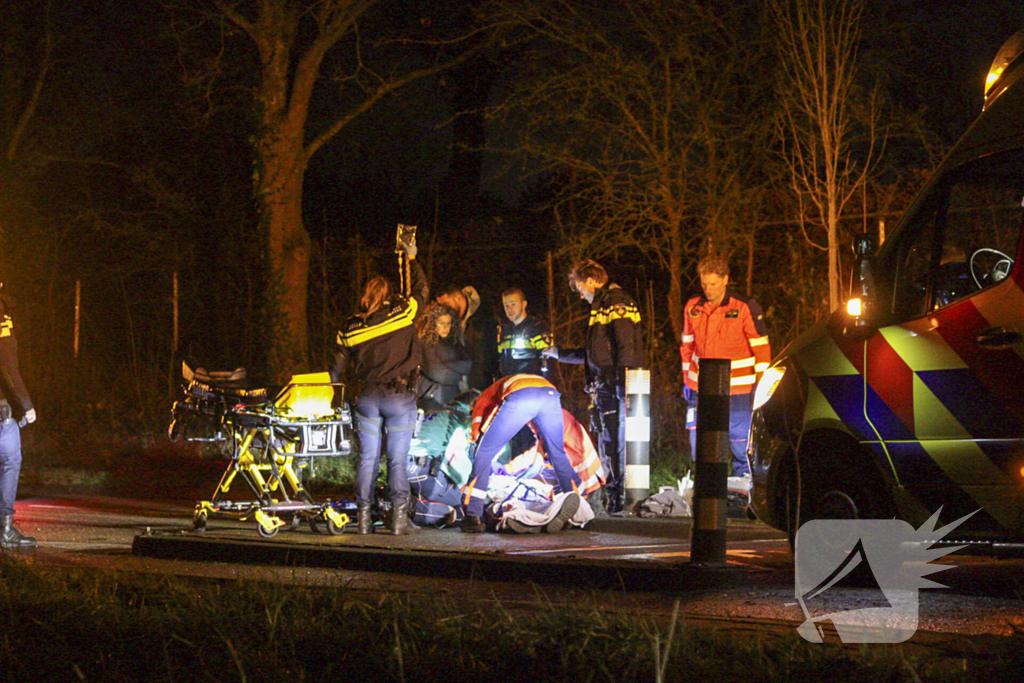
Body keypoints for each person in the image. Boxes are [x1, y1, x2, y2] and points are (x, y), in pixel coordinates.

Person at [333, 239, 426, 536]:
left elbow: (335, 370)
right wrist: (411, 259)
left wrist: (332, 397)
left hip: (367, 398)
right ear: (389, 295)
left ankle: (362, 518)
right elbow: (421, 291)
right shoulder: (402, 312)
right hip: (399, 397)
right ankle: (398, 519)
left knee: (368, 459)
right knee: (397, 459)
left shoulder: (350, 328)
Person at [543, 260, 643, 514]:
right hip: (607, 384)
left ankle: (620, 499)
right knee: (608, 442)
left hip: (615, 383)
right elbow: (594, 353)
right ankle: (614, 498)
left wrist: (623, 384)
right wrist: (559, 353)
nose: (580, 294)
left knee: (616, 442)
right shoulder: (603, 304)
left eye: (580, 288)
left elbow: (626, 346)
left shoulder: (615, 302)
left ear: (591, 281)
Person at [680, 256, 771, 479]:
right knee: (699, 441)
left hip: (738, 390)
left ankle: (742, 487)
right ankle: (706, 487)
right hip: (700, 386)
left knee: (740, 443)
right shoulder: (693, 306)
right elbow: (687, 344)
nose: (708, 289)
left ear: (725, 280)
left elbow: (761, 348)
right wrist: (686, 379)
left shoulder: (744, 307)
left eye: (713, 284)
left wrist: (761, 384)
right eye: (704, 284)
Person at [461, 374, 581, 533]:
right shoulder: (506, 384)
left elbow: (478, 432)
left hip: (521, 396)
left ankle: (472, 515)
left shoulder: (482, 399)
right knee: (557, 454)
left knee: (483, 454)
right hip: (550, 395)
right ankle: (578, 505)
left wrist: (476, 439)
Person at [0, 292, 37, 550]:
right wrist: (26, 405)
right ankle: (4, 531)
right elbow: (7, 367)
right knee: (10, 461)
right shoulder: (3, 321)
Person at [436, 285, 498, 391]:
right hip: (458, 388)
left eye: (446, 304)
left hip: (482, 387)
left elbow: (492, 356)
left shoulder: (485, 316)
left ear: (458, 298)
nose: (444, 309)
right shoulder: (450, 323)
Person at [416, 302, 471, 411]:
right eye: (441, 323)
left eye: (448, 323)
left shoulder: (455, 343)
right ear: (432, 323)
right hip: (432, 400)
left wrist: (448, 367)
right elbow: (438, 373)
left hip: (453, 398)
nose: (446, 327)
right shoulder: (426, 344)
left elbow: (468, 365)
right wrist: (457, 375)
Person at [497, 287, 553, 378]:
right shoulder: (504, 332)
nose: (509, 309)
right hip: (509, 387)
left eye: (513, 304)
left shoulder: (537, 329)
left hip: (531, 388)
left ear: (524, 304)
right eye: (506, 305)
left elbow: (549, 363)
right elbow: (500, 361)